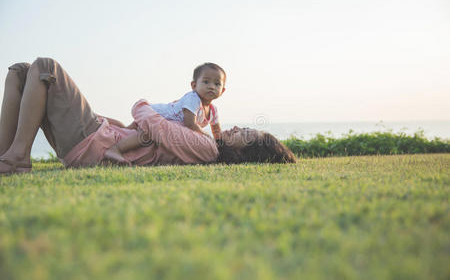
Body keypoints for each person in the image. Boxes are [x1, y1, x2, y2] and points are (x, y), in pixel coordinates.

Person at [0, 57, 295, 175]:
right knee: (21, 72)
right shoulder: (204, 138)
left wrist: (142, 106)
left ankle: (17, 159)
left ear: (243, 152)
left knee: (45, 65)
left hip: (94, 143)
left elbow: (155, 126)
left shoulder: (207, 147)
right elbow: (151, 134)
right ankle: (6, 155)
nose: (238, 127)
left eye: (245, 134)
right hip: (98, 137)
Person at [104, 62, 226, 165]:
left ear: (223, 91)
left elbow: (217, 132)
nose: (211, 87)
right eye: (206, 82)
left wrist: (220, 146)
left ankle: (104, 123)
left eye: (217, 84)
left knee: (127, 130)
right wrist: (206, 136)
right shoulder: (193, 99)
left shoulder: (213, 110)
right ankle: (115, 149)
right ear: (194, 85)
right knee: (146, 136)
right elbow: (190, 123)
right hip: (154, 113)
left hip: (163, 122)